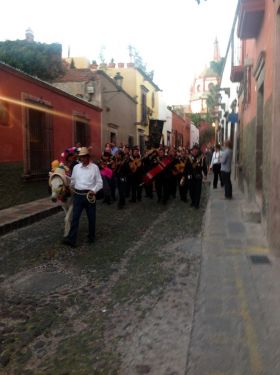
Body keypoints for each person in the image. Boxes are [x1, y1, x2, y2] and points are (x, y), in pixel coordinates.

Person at [62, 147, 103, 247]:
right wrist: (69, 186)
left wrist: (93, 191)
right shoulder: (76, 168)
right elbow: (73, 181)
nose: (83, 159)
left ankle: (91, 236)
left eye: (84, 157)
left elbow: (100, 182)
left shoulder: (94, 168)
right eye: (81, 157)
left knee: (91, 217)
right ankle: (72, 239)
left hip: (89, 195)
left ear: (88, 157)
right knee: (75, 217)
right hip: (78, 196)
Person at [183, 144, 207, 209]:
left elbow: (204, 166)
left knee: (198, 191)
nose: (195, 151)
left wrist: (205, 174)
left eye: (196, 150)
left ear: (198, 150)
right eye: (194, 150)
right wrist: (185, 176)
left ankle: (197, 204)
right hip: (190, 177)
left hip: (198, 176)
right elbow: (186, 168)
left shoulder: (201, 158)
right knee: (191, 190)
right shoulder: (189, 158)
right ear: (192, 150)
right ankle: (193, 201)